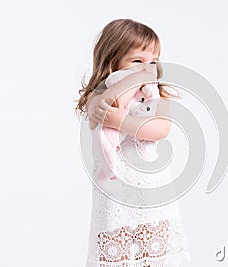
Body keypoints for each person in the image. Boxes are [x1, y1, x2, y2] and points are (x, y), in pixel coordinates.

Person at [75, 18, 191, 267]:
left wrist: (121, 121)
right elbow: (98, 110)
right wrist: (120, 88)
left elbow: (160, 129)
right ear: (112, 60)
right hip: (116, 196)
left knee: (154, 250)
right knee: (119, 252)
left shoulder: (155, 95)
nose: (146, 69)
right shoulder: (101, 94)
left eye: (152, 62)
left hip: (152, 192)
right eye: (137, 61)